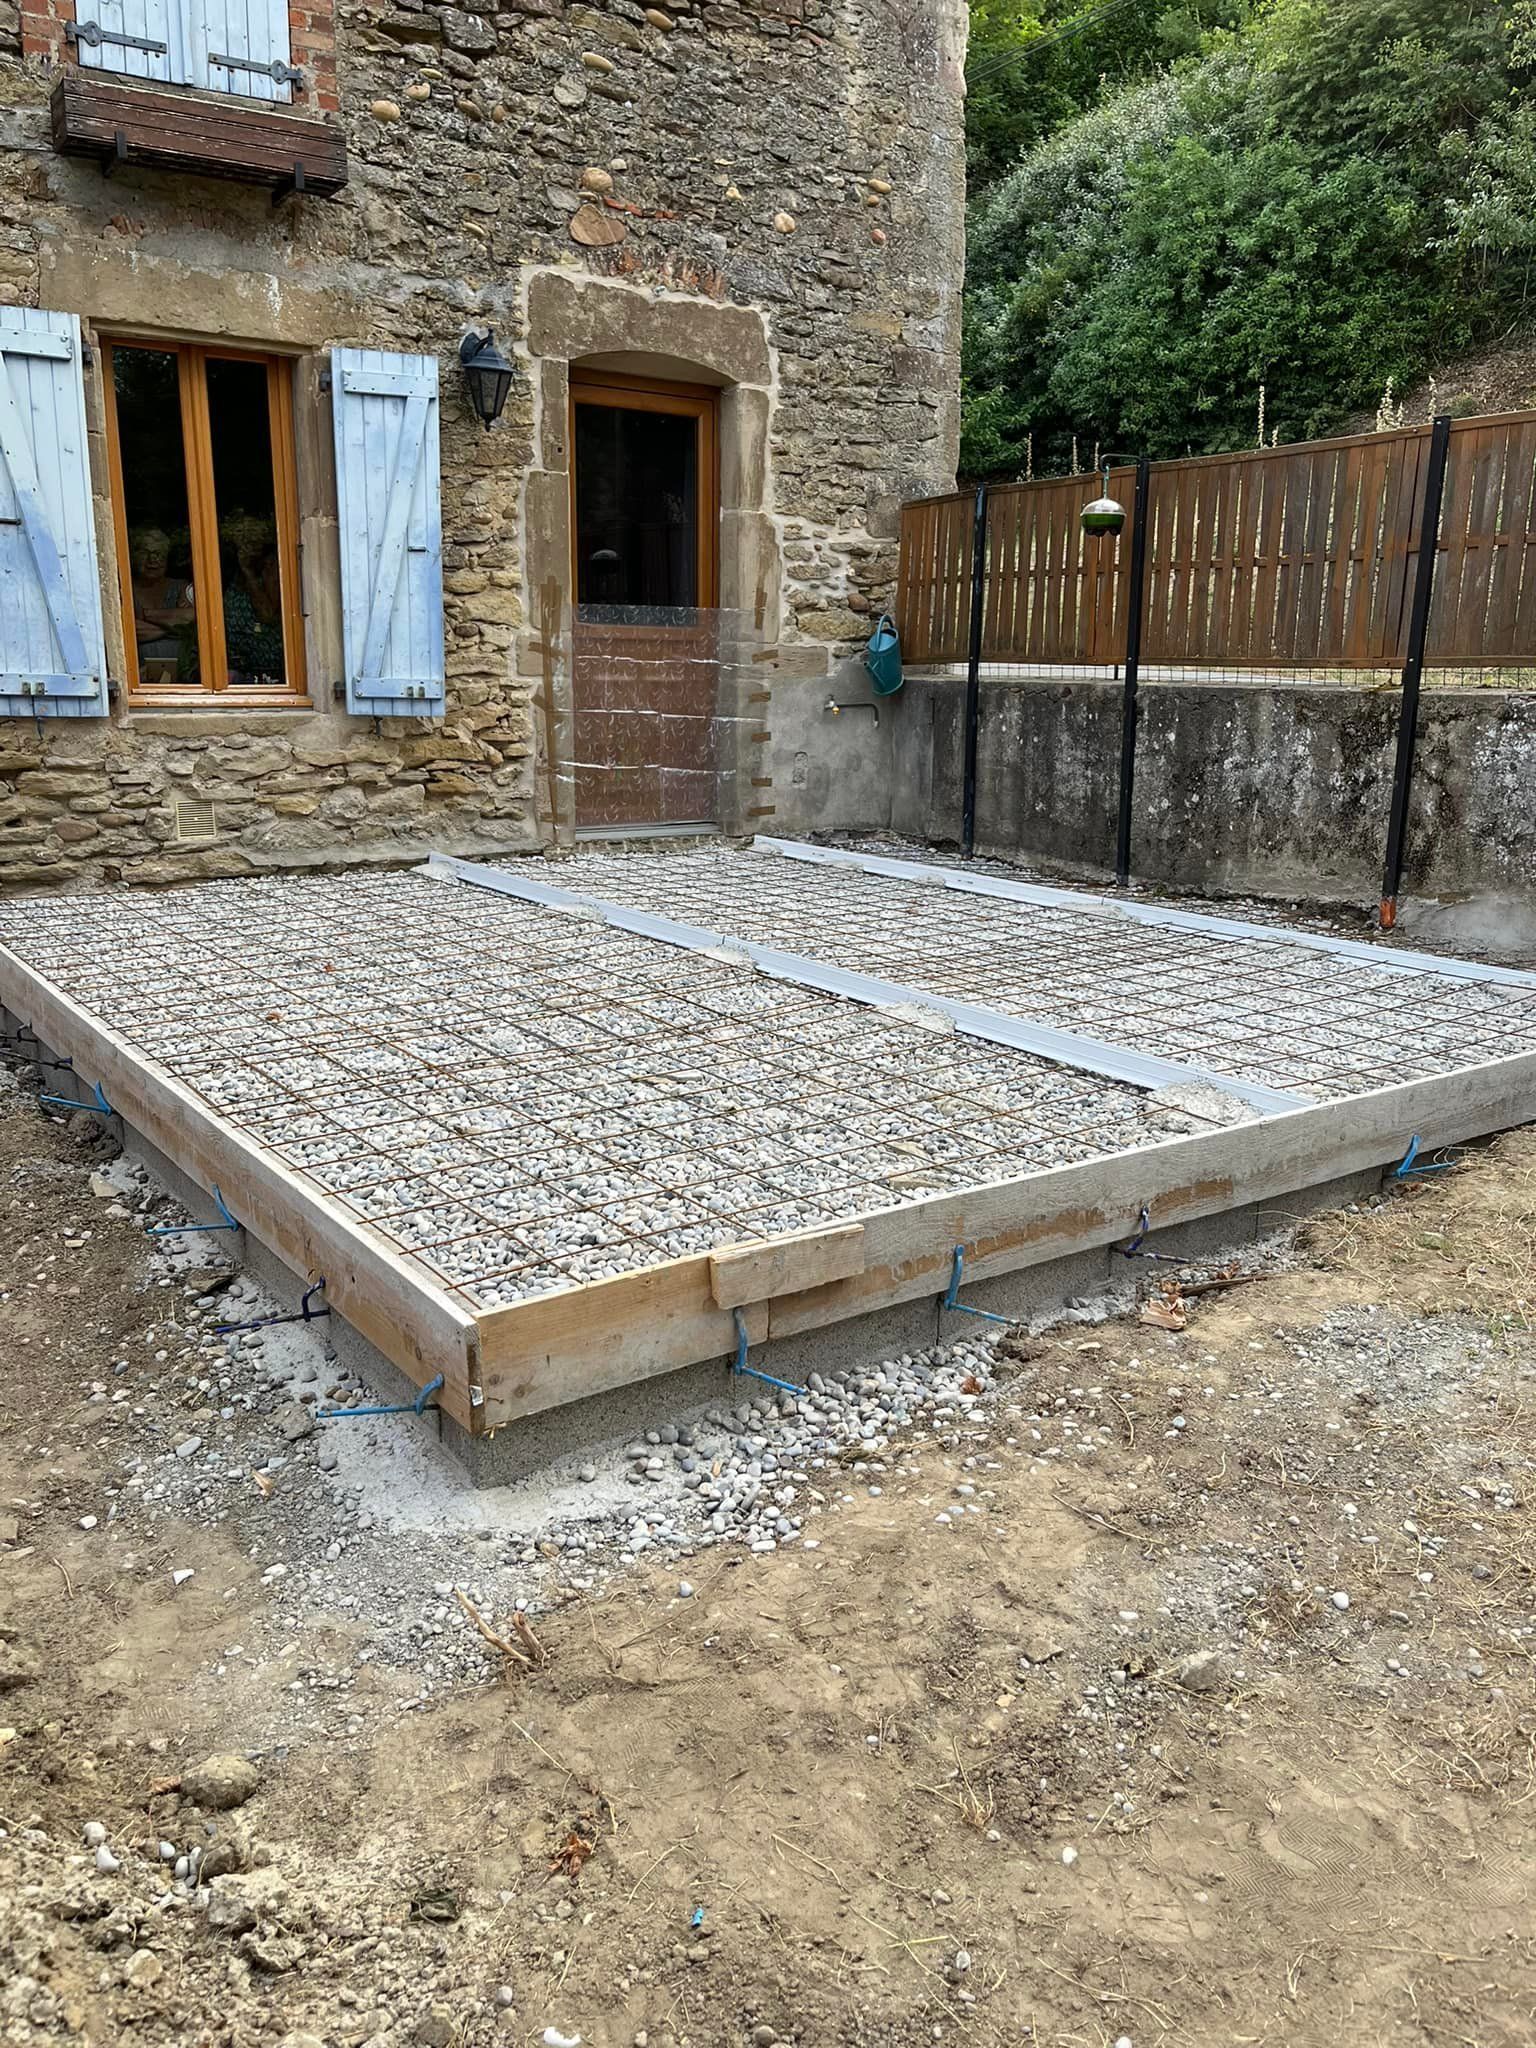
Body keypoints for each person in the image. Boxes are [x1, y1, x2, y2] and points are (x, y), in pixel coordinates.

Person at [219, 513, 286, 685]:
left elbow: (268, 615)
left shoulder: (270, 567)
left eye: (253, 542)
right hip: (233, 667)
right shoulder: (228, 570)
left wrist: (248, 571)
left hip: (265, 669)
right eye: (244, 541)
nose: (249, 547)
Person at [129, 527, 196, 684]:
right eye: (146, 552)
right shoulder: (125, 589)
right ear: (133, 556)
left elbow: (190, 620)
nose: (153, 559)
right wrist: (174, 628)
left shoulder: (181, 586)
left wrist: (147, 615)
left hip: (187, 680)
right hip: (138, 679)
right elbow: (129, 630)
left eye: (159, 553)